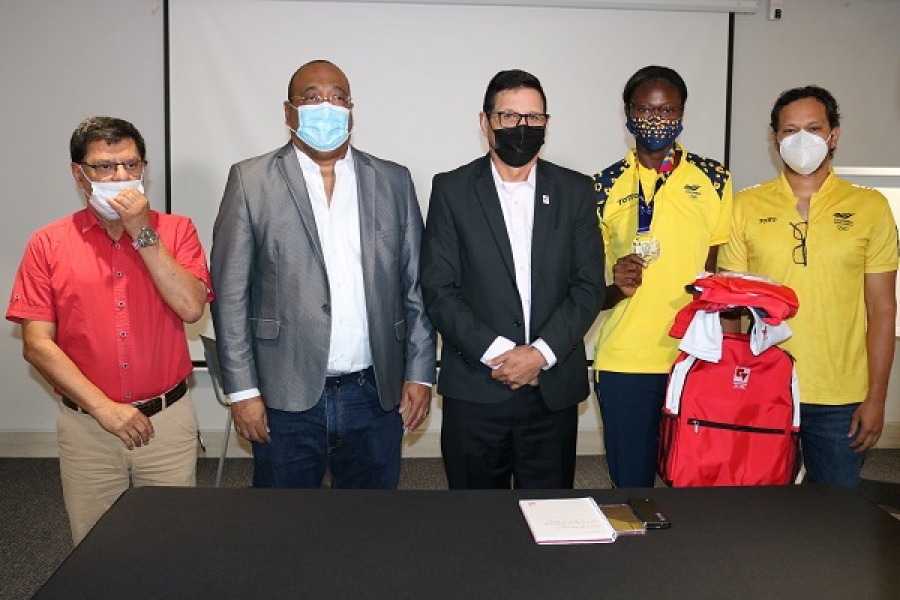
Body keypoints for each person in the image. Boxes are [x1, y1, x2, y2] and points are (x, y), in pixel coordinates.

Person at [210, 60, 436, 490]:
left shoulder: (393, 180)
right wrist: (242, 391)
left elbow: (415, 288)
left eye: (337, 98)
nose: (326, 107)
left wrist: (420, 372)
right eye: (312, 98)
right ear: (289, 111)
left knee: (370, 521)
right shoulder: (250, 181)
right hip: (283, 395)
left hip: (375, 392)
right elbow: (230, 294)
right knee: (287, 524)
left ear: (351, 109)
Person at [6, 116, 213, 544]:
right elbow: (37, 344)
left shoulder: (177, 230)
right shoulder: (48, 243)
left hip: (167, 422)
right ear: (78, 172)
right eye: (104, 166)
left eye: (131, 165)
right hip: (89, 427)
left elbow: (191, 307)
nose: (120, 177)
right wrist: (104, 408)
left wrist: (142, 231)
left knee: (173, 544)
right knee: (94, 547)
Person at [421, 69, 606, 489]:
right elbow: (439, 289)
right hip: (477, 387)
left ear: (546, 124)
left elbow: (588, 286)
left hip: (551, 392)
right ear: (485, 122)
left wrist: (540, 354)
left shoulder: (576, 190)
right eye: (508, 117)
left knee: (550, 515)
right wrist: (502, 355)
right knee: (475, 516)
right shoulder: (452, 189)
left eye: (533, 118)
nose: (522, 127)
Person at [718, 85, 897, 489]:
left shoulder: (870, 207)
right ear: (775, 138)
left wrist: (877, 397)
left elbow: (883, 309)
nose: (802, 139)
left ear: (834, 135)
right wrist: (733, 386)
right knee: (761, 510)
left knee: (835, 513)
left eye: (813, 128)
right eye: (790, 130)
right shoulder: (745, 206)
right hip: (764, 387)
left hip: (841, 396)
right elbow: (730, 308)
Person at [592, 65, 733, 488]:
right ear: (627, 113)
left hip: (693, 358)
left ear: (682, 112)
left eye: (667, 109)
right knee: (631, 488)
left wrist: (724, 355)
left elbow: (714, 276)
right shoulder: (603, 185)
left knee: (693, 484)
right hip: (626, 360)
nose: (656, 119)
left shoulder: (715, 179)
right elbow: (591, 293)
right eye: (645, 109)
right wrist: (616, 286)